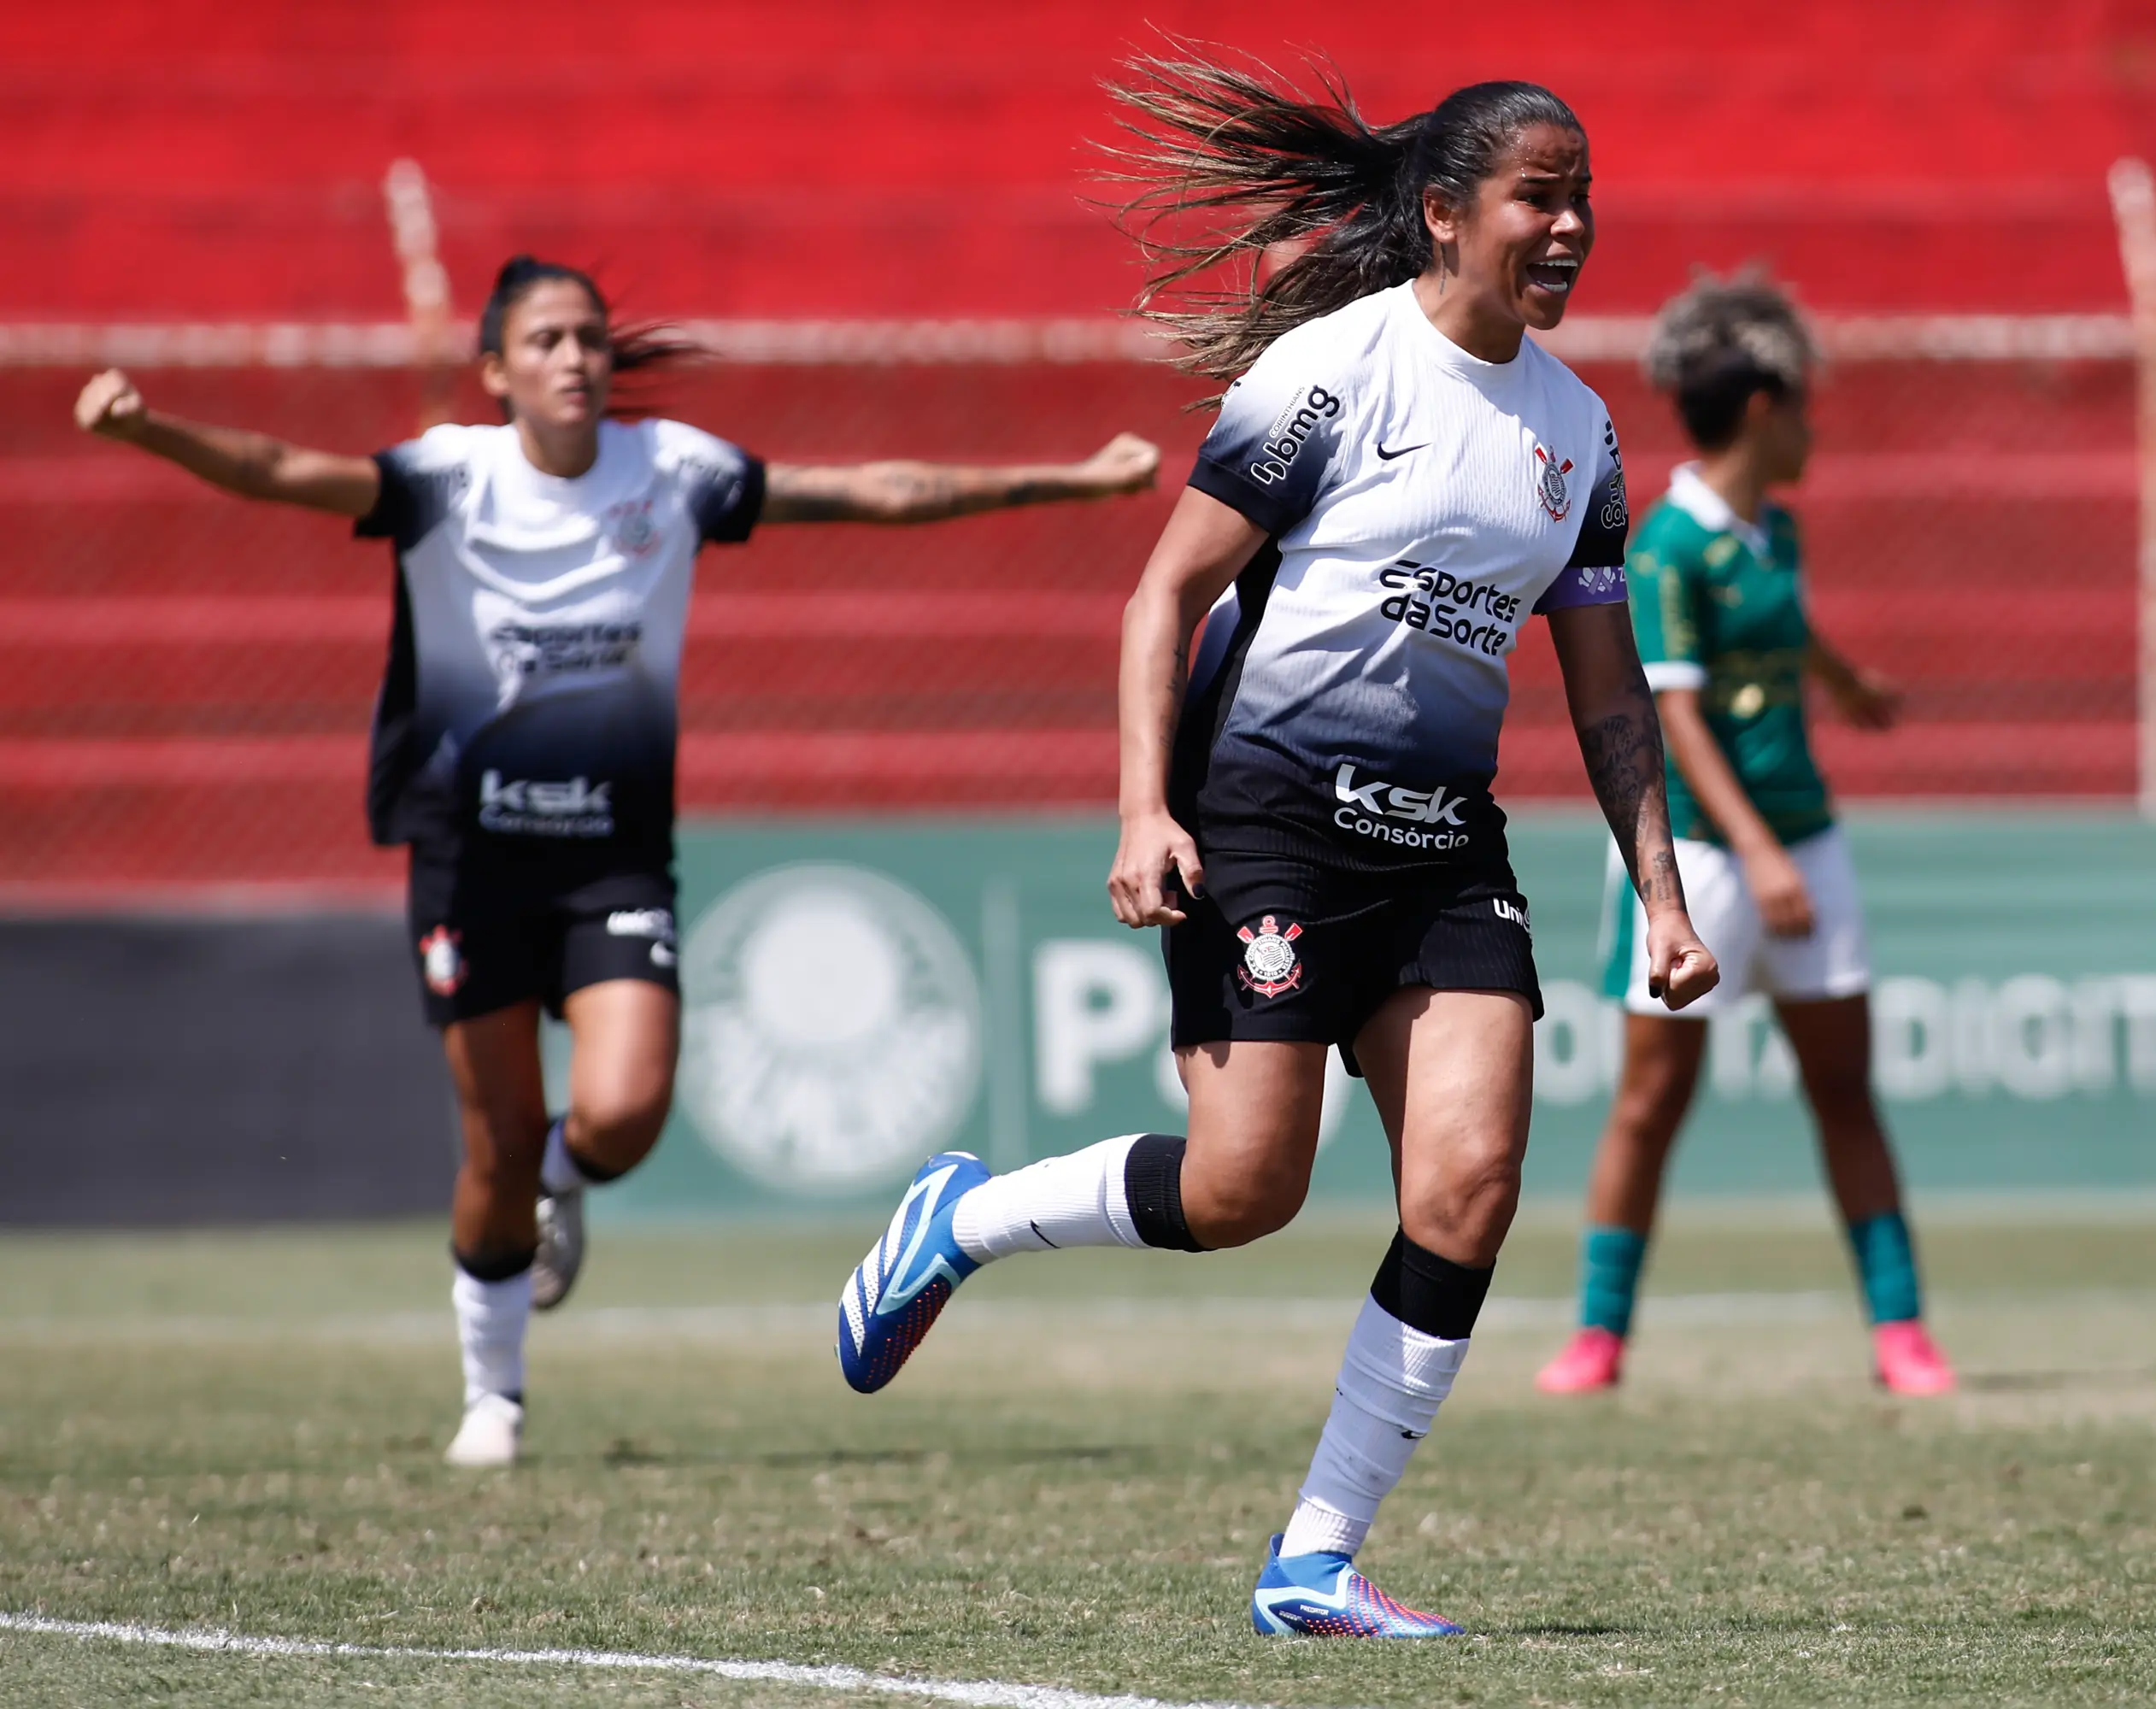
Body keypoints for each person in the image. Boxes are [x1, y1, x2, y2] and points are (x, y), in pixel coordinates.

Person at [834, 61, 1718, 1636]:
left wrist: (1660, 892)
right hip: (1264, 817)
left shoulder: (1578, 436)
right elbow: (1160, 597)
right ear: (1444, 215)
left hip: (1443, 842)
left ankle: (1314, 1558)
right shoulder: (1329, 374)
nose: (1573, 226)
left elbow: (1606, 690)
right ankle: (958, 1221)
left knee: (1472, 1184)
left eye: (1584, 198)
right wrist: (1141, 808)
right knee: (1247, 1191)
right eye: (1540, 196)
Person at [73, 255, 1161, 1468]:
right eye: (544, 341)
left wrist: (1072, 479)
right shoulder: (448, 478)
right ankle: (495, 1397)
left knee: (626, 1112)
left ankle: (558, 1180)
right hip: (470, 858)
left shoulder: (675, 474)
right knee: (492, 1139)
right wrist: (150, 428)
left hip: (612, 853)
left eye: (589, 337)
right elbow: (280, 472)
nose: (576, 358)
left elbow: (875, 491)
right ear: (495, 372)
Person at [1535, 277, 1955, 1399]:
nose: (1816, 428)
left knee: (1843, 1090)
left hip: (1804, 837)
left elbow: (1782, 627)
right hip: (1708, 864)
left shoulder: (1776, 532)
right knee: (1649, 1100)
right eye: (1804, 409)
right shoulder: (1668, 546)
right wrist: (1755, 852)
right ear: (1763, 410)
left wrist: (1840, 680)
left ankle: (1899, 1333)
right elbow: (1672, 714)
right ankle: (1598, 1336)